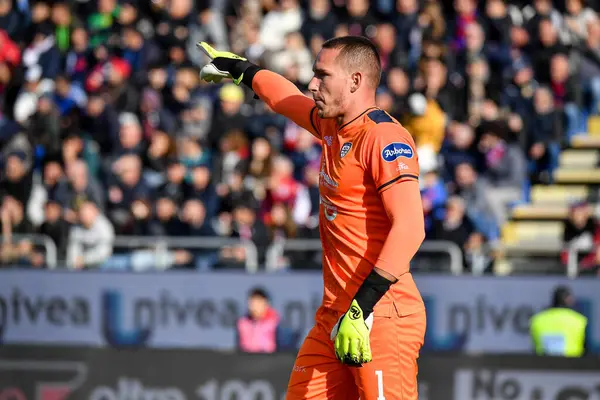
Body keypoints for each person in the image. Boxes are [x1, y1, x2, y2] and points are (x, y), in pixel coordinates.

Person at [197, 36, 426, 400]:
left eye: (322, 75)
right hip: (335, 314)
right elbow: (286, 99)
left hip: (379, 315)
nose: (312, 84)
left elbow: (411, 227)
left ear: (355, 81)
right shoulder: (331, 126)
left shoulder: (384, 137)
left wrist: (360, 309)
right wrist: (241, 69)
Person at [530, 285, 587, 357]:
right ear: (568, 300)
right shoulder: (579, 320)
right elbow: (586, 349)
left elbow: (534, 348)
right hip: (572, 364)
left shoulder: (537, 319)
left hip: (544, 365)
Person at [236, 287, 281, 353]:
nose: (254, 306)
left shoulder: (275, 322)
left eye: (258, 302)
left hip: (269, 359)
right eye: (252, 302)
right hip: (246, 359)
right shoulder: (242, 323)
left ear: (266, 303)